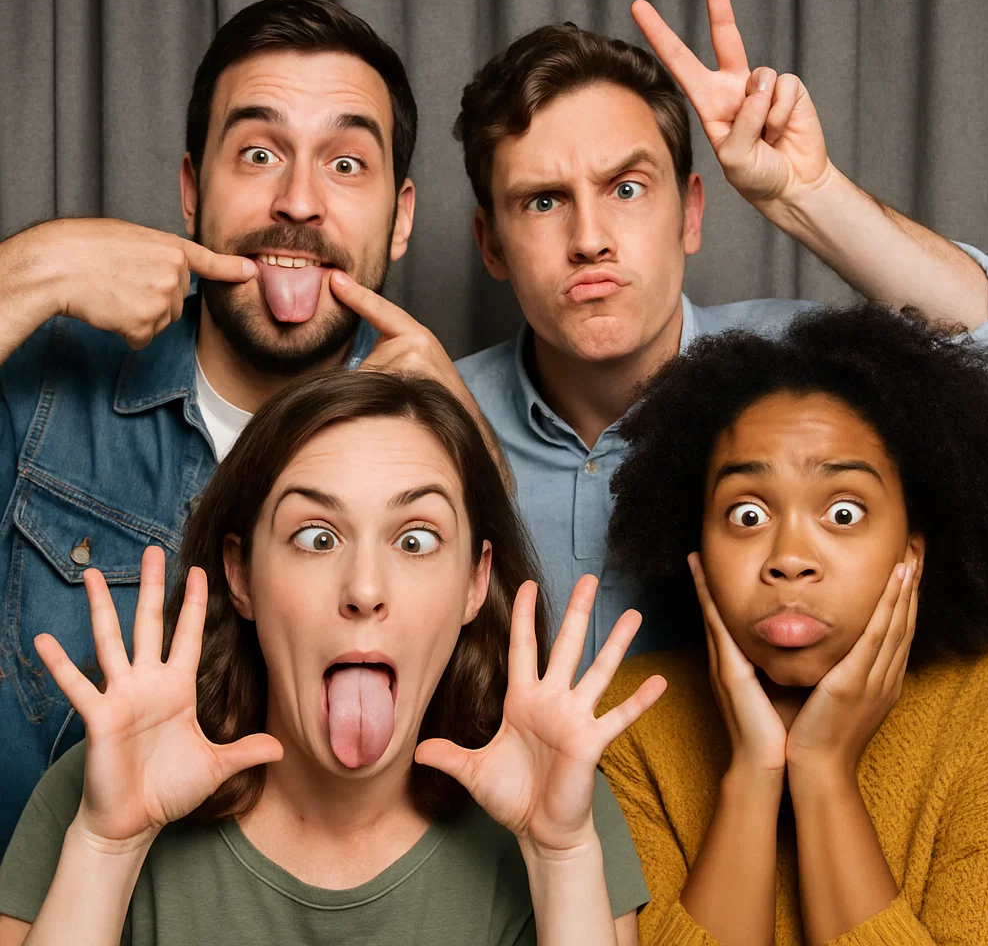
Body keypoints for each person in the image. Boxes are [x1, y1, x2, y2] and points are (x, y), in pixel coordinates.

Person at [0, 0, 489, 852]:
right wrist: (31, 269)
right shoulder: (45, 384)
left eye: (345, 165)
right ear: (192, 190)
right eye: (259, 153)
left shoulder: (440, 438)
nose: (297, 201)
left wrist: (473, 453)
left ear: (401, 216)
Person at [454, 0, 988, 668]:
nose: (589, 237)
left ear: (691, 211)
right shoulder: (434, 405)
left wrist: (810, 195)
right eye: (543, 200)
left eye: (626, 188)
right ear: (491, 243)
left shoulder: (807, 378)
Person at [0, 369, 663, 945]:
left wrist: (561, 857)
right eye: (317, 537)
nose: (365, 590)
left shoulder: (556, 795)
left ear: (474, 583)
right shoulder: (111, 777)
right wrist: (106, 846)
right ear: (241, 573)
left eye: (416, 540)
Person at [598, 303, 988, 944]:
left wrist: (824, 773)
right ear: (696, 549)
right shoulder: (630, 716)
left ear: (914, 547)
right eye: (747, 515)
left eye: (844, 513)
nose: (789, 559)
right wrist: (753, 774)